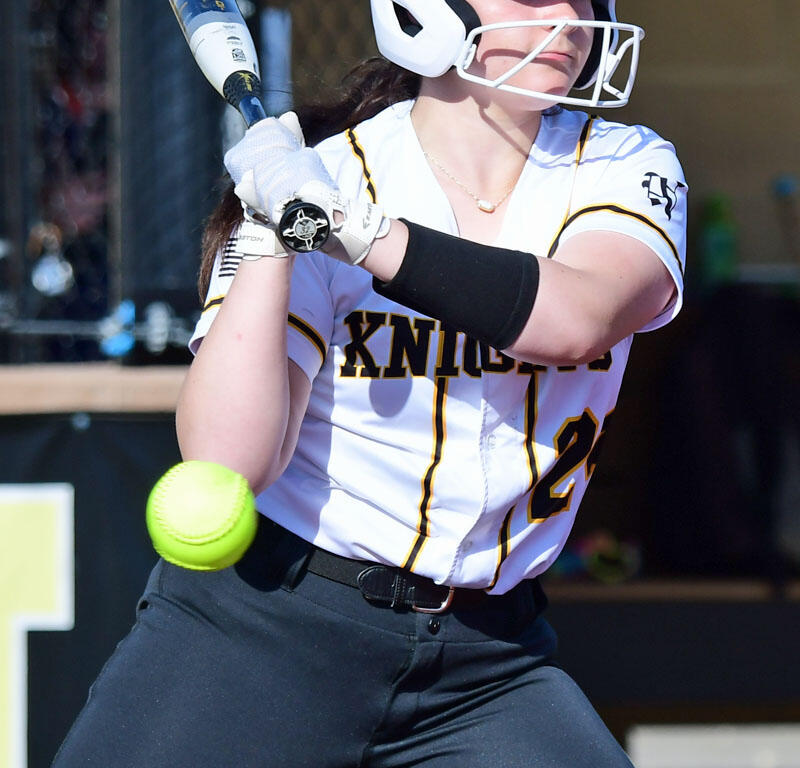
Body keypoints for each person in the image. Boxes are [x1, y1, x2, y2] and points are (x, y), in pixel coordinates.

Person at [53, 1, 686, 765]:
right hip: (265, 626)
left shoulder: (624, 164)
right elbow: (231, 458)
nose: (565, 15)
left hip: (488, 659)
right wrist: (265, 237)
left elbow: (576, 318)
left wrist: (364, 234)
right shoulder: (333, 174)